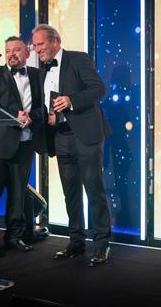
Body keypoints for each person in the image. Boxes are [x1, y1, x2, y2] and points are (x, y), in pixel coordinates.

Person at [32, 24, 112, 267]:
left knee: (93, 191)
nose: (37, 50)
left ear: (55, 41)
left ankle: (101, 245)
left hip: (86, 136)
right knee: (71, 194)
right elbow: (47, 104)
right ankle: (76, 242)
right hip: (60, 137)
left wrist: (71, 101)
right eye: (34, 46)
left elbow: (99, 88)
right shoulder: (42, 70)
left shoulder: (78, 59)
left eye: (41, 44)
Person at [0, 36, 45, 258]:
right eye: (8, 50)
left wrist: (32, 118)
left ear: (27, 52)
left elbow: (42, 108)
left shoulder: (37, 76)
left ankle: (14, 236)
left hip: (24, 145)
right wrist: (11, 117)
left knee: (18, 196)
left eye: (16, 50)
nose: (11, 54)